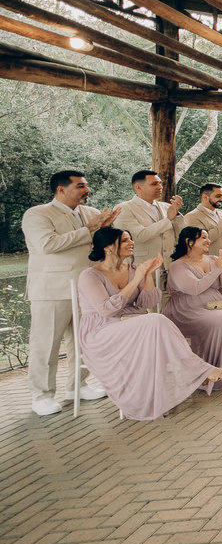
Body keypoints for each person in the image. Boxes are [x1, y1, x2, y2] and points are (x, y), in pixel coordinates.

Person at [76, 227, 222, 419]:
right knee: (155, 320)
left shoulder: (133, 269)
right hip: (101, 331)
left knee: (155, 324)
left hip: (133, 323)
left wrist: (146, 276)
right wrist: (137, 278)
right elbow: (106, 310)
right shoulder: (89, 276)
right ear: (107, 247)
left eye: (131, 239)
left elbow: (148, 303)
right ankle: (197, 371)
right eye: (124, 241)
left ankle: (172, 387)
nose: (131, 243)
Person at [22, 170, 120, 415]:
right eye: (80, 186)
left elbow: (100, 246)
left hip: (87, 288)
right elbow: (48, 245)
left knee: (83, 341)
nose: (86, 190)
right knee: (46, 345)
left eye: (86, 185)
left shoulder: (91, 213)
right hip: (52, 290)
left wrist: (107, 228)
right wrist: (90, 228)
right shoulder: (38, 214)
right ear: (61, 189)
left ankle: (78, 385)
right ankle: (42, 395)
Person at [163, 227, 222, 390]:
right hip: (186, 308)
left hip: (215, 302)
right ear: (189, 242)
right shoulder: (178, 266)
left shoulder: (213, 259)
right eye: (203, 238)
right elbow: (195, 288)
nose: (208, 241)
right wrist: (217, 269)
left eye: (207, 237)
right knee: (220, 321)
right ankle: (207, 372)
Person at [113, 170, 183, 270]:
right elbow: (138, 236)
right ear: (138, 187)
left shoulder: (167, 207)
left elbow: (181, 235)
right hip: (141, 268)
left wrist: (177, 215)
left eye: (160, 183)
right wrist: (168, 220)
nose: (160, 187)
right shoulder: (124, 208)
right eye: (154, 184)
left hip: (169, 267)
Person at [182, 182, 222, 259]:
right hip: (208, 265)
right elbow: (200, 241)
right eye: (218, 196)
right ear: (205, 197)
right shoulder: (191, 217)